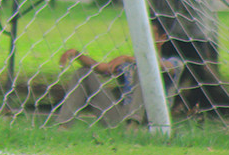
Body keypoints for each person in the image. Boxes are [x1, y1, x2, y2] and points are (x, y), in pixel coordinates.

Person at [56, 17, 185, 127]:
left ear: (162, 38)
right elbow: (102, 68)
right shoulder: (129, 64)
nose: (142, 40)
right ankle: (62, 127)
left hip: (151, 119)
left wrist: (128, 58)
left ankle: (134, 127)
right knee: (83, 73)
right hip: (121, 116)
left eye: (148, 36)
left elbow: (160, 67)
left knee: (144, 72)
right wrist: (76, 54)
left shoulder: (174, 63)